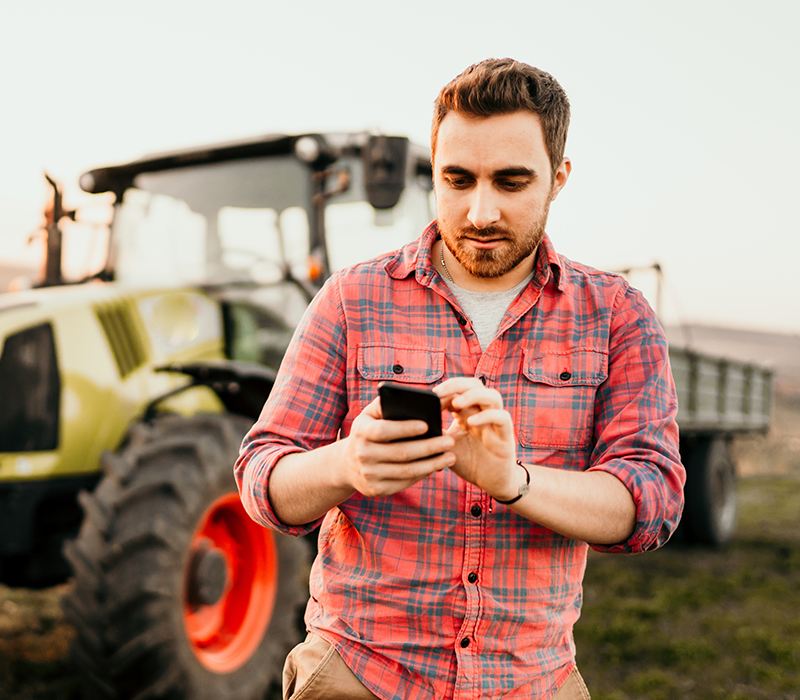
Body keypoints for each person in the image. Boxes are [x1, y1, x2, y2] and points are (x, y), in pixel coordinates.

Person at [235, 57, 685, 700]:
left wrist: (513, 481)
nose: (479, 211)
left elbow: (652, 503)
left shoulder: (617, 315)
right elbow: (261, 478)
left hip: (531, 682)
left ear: (558, 178)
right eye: (457, 179)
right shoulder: (350, 299)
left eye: (511, 181)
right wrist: (346, 465)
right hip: (359, 676)